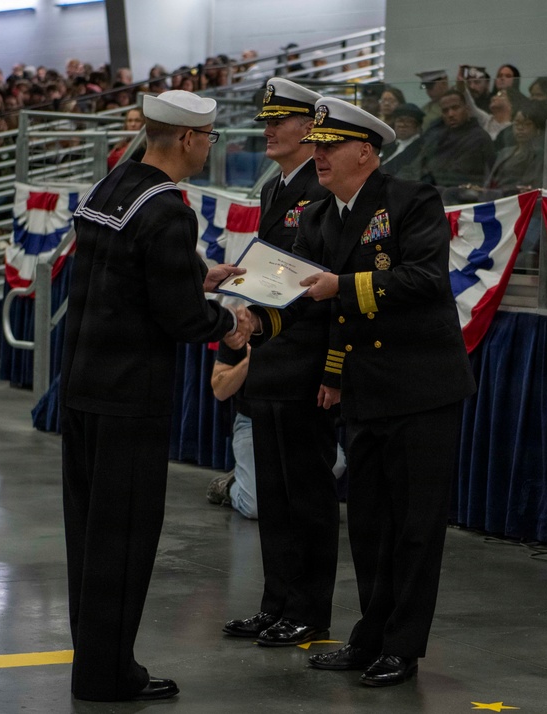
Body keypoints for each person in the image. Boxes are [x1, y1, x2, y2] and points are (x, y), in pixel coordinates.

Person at [244, 97, 476, 687]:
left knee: (416, 526)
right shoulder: (323, 214)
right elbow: (302, 297)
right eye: (315, 146)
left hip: (421, 386)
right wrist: (244, 320)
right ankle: (368, 636)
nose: (318, 156)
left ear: (365, 152)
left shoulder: (410, 200)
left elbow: (425, 279)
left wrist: (343, 286)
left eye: (329, 146)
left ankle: (402, 646)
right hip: (367, 389)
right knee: (370, 524)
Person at [59, 90, 251, 702]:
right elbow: (177, 317)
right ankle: (110, 675)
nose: (208, 148)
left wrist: (196, 274)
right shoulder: (169, 208)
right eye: (209, 138)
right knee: (125, 538)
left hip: (85, 387)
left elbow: (124, 271)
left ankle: (94, 661)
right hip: (132, 397)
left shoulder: (109, 187)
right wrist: (229, 324)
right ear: (190, 139)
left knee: (89, 537)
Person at [221, 77, 338, 648]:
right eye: (267, 120)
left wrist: (331, 370)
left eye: (281, 120)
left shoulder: (323, 189)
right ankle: (276, 602)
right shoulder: (275, 189)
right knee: (274, 492)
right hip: (269, 353)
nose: (268, 129)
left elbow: (323, 286)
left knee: (307, 495)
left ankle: (309, 609)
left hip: (305, 360)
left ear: (310, 129)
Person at [205, 342, 259, 519]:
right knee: (253, 507)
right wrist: (249, 360)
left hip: (296, 421)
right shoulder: (242, 328)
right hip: (252, 420)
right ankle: (231, 484)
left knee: (336, 463)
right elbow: (219, 391)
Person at [419, 88, 496, 196]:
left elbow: (456, 175)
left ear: (467, 109)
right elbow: (423, 166)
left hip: (464, 197)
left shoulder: (479, 138)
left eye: (455, 108)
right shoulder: (437, 138)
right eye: (445, 111)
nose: (450, 114)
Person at [380, 103, 425, 180]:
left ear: (418, 126)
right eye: (399, 120)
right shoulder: (388, 144)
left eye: (409, 121)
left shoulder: (422, 148)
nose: (402, 125)